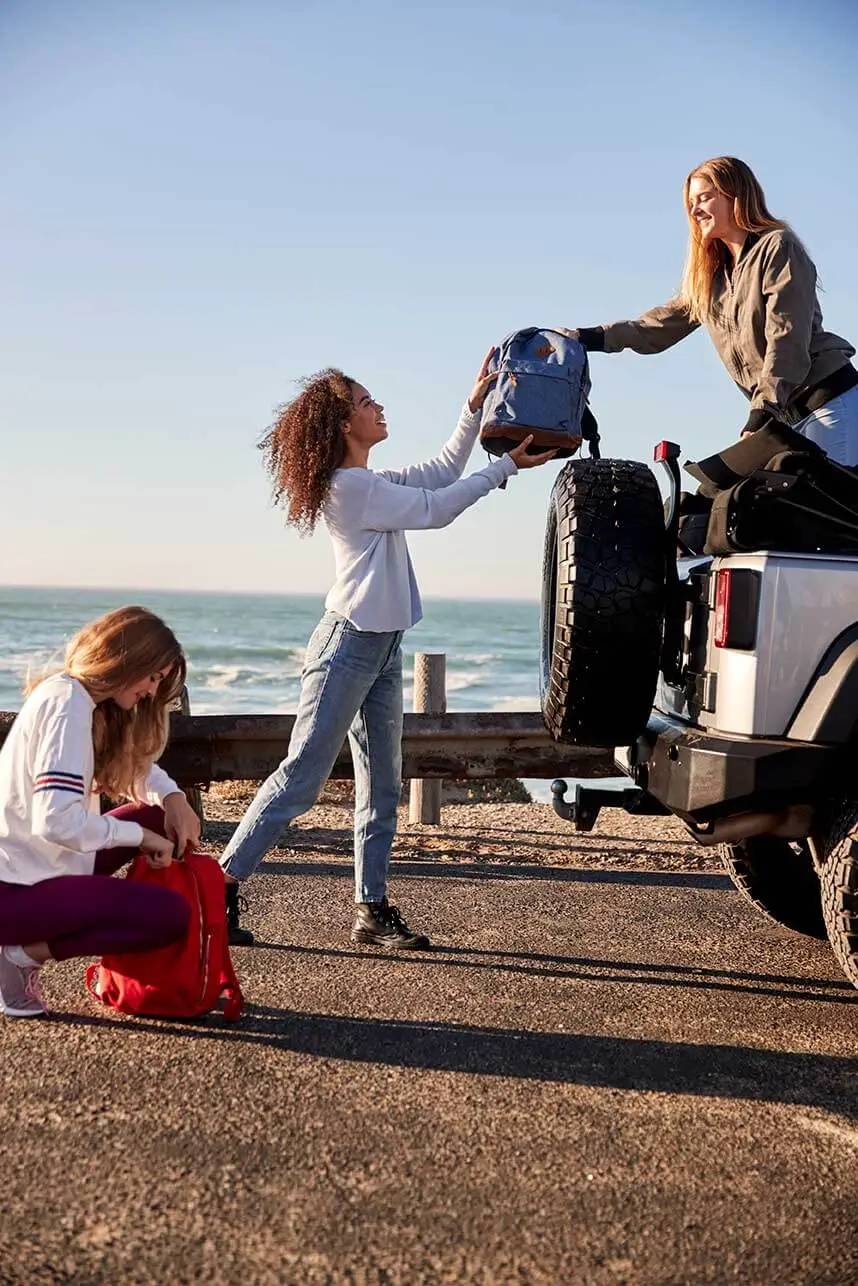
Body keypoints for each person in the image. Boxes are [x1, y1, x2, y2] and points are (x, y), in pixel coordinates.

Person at [220, 350, 556, 949]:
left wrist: (471, 410)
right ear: (345, 424)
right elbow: (436, 510)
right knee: (301, 777)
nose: (379, 408)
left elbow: (439, 474)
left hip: (380, 646)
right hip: (346, 646)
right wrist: (504, 467)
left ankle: (371, 909)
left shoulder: (370, 482)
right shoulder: (350, 489)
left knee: (381, 785)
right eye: (366, 402)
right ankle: (217, 887)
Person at [573, 156, 858, 464]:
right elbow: (655, 328)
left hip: (828, 404)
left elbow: (786, 336)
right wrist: (587, 338)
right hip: (782, 418)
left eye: (704, 197)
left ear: (735, 194)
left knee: (822, 510)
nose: (695, 210)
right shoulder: (712, 277)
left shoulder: (778, 247)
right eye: (691, 203)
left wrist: (762, 409)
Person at [0, 605, 202, 1018]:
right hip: (12, 892)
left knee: (153, 816)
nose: (150, 690)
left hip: (39, 868)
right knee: (167, 916)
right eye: (153, 677)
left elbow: (135, 770)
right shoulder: (67, 707)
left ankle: (95, 907)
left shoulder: (82, 699)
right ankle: (18, 956)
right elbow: (55, 820)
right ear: (128, 661)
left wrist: (173, 798)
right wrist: (141, 838)